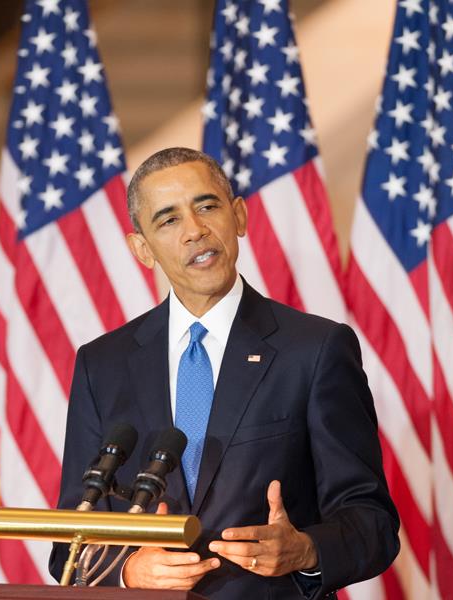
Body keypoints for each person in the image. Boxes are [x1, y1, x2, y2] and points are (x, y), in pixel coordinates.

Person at [49, 147, 400, 599]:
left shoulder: (314, 350)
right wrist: (129, 571)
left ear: (239, 216)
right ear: (142, 248)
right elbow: (70, 542)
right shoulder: (103, 364)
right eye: (169, 220)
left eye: (207, 206)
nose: (195, 231)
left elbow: (372, 523)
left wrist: (306, 550)